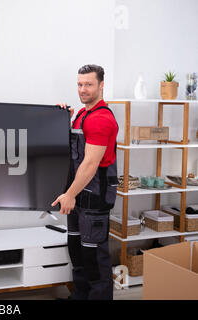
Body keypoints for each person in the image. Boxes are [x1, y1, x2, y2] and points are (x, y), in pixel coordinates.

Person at [52, 64, 118, 300]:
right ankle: (80, 296)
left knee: (93, 260)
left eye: (89, 84)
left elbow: (89, 164)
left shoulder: (101, 119)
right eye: (80, 84)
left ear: (101, 85)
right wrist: (62, 119)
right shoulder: (82, 114)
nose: (83, 89)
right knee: (78, 252)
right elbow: (74, 151)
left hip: (93, 198)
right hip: (78, 196)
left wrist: (69, 194)